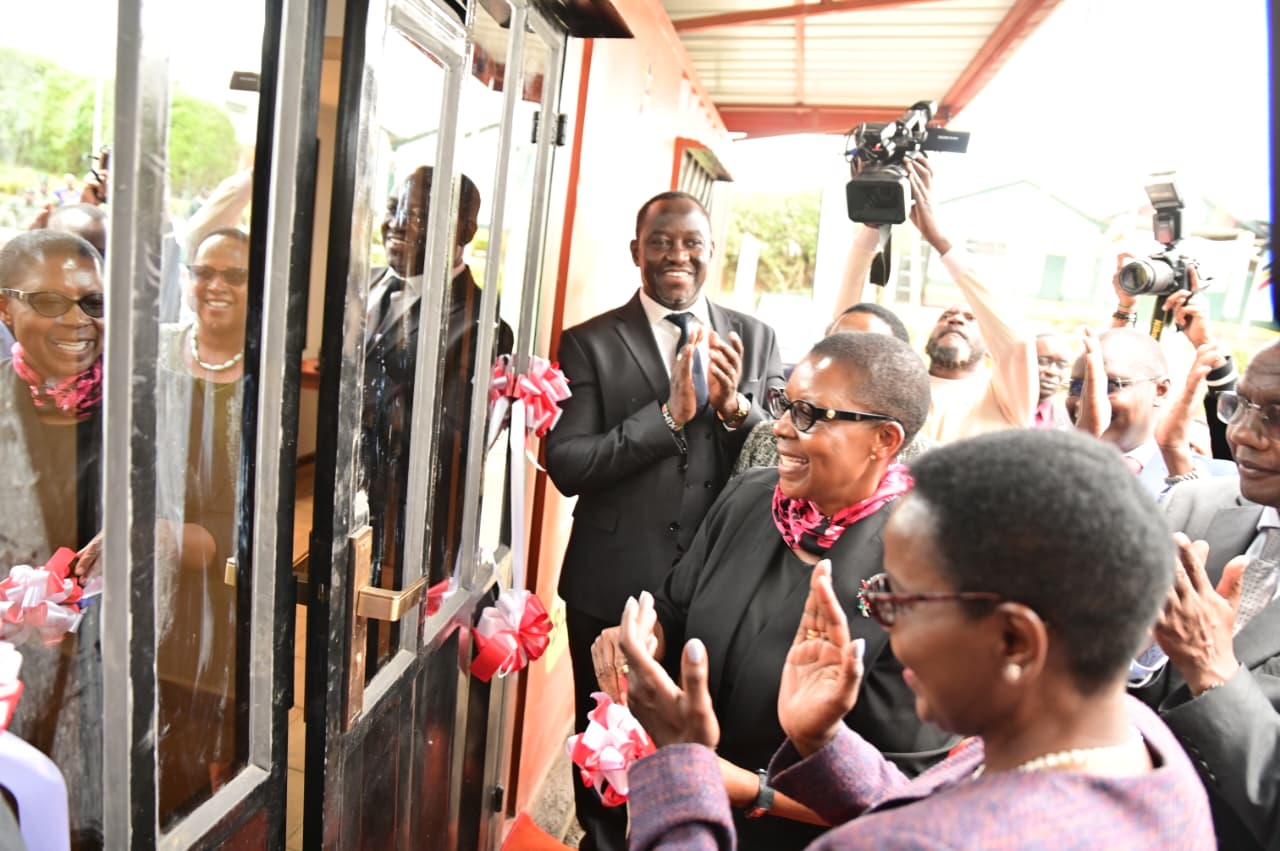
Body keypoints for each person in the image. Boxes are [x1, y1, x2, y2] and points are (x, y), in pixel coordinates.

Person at [620, 429, 1215, 850]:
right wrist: (822, 741)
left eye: (902, 600)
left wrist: (683, 765)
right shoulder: (1137, 741)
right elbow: (938, 796)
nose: (886, 626)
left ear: (1015, 640)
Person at [591, 332, 953, 849]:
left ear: (885, 440)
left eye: (809, 415)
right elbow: (676, 607)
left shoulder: (928, 574)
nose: (780, 426)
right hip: (686, 814)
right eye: (785, 403)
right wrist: (645, 642)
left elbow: (907, 795)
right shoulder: (751, 497)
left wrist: (751, 791)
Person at [545, 190, 784, 851]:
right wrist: (670, 416)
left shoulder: (756, 338)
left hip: (717, 589)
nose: (676, 255)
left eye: (691, 243)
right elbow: (566, 462)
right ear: (635, 252)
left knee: (700, 736)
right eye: (660, 242)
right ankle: (600, 840)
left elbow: (777, 456)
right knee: (605, 732)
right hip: (610, 582)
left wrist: (735, 408)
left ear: (711, 251)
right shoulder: (589, 343)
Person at [1131, 339, 1280, 850]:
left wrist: (1212, 669)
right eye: (1238, 404)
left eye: (1277, 415)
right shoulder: (1191, 509)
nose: (1240, 434)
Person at [0, 229, 106, 846]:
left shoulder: (143, 406)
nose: (76, 320)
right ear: (5, 308)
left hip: (103, 675)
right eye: (47, 302)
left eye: (90, 302)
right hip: (11, 677)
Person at [362, 165, 513, 592]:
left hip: (412, 533)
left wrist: (368, 398)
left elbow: (452, 440)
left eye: (413, 215)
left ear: (463, 231)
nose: (394, 225)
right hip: (347, 514)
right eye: (393, 209)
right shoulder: (367, 284)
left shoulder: (483, 323)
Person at [153, 227, 252, 821]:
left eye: (233, 276)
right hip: (150, 574)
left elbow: (264, 500)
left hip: (223, 584)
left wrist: (191, 540)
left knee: (206, 746)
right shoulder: (153, 351)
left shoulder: (269, 374)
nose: (214, 285)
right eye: (203, 271)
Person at [835, 156, 1037, 443]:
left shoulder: (1005, 399)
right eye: (946, 316)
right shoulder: (895, 388)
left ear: (992, 343)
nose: (954, 319)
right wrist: (872, 224)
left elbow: (1016, 344)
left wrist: (939, 238)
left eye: (970, 318)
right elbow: (844, 334)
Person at [733, 303, 935, 474]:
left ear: (886, 439)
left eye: (861, 353)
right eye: (832, 344)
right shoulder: (764, 440)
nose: (782, 428)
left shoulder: (927, 466)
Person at [1068, 327, 1233, 497]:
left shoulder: (1219, 479)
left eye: (1109, 386)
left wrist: (1179, 465)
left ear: (1160, 391)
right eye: (1076, 387)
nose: (1085, 400)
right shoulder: (1045, 464)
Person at [1032, 332, 1072, 429]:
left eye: (1061, 365)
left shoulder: (1071, 422)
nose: (1052, 372)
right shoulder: (993, 410)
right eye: (1042, 361)